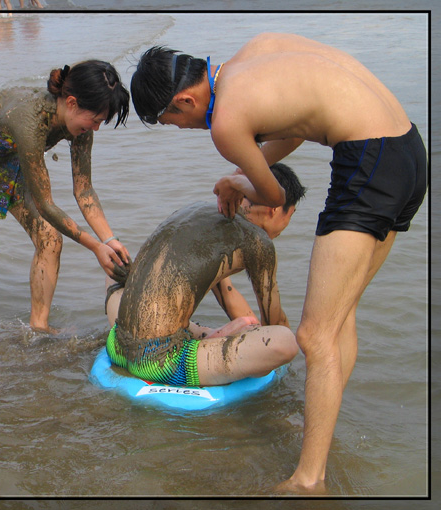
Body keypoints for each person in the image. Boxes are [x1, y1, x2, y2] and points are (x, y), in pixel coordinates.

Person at [130, 34, 427, 492]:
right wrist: (241, 174)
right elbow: (295, 127)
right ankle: (324, 441)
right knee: (338, 318)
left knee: (314, 335)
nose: (180, 129)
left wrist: (238, 184)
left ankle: (309, 479)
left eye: (172, 121)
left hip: (367, 161)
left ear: (185, 100)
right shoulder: (254, 54)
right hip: (408, 151)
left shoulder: (225, 123)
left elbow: (275, 196)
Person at [0, 60, 131, 338]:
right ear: (72, 102)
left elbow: (84, 190)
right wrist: (95, 247)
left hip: (9, 160)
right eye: (96, 120)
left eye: (101, 122)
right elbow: (45, 204)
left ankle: (39, 327)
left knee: (50, 237)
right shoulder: (30, 117)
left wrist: (110, 241)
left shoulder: (80, 127)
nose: (96, 128)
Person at [104, 163, 305, 387]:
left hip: (118, 344)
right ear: (275, 209)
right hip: (161, 363)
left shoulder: (204, 212)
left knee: (118, 277)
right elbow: (273, 321)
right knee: (286, 342)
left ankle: (204, 335)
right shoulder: (259, 241)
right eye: (291, 214)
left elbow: (226, 293)